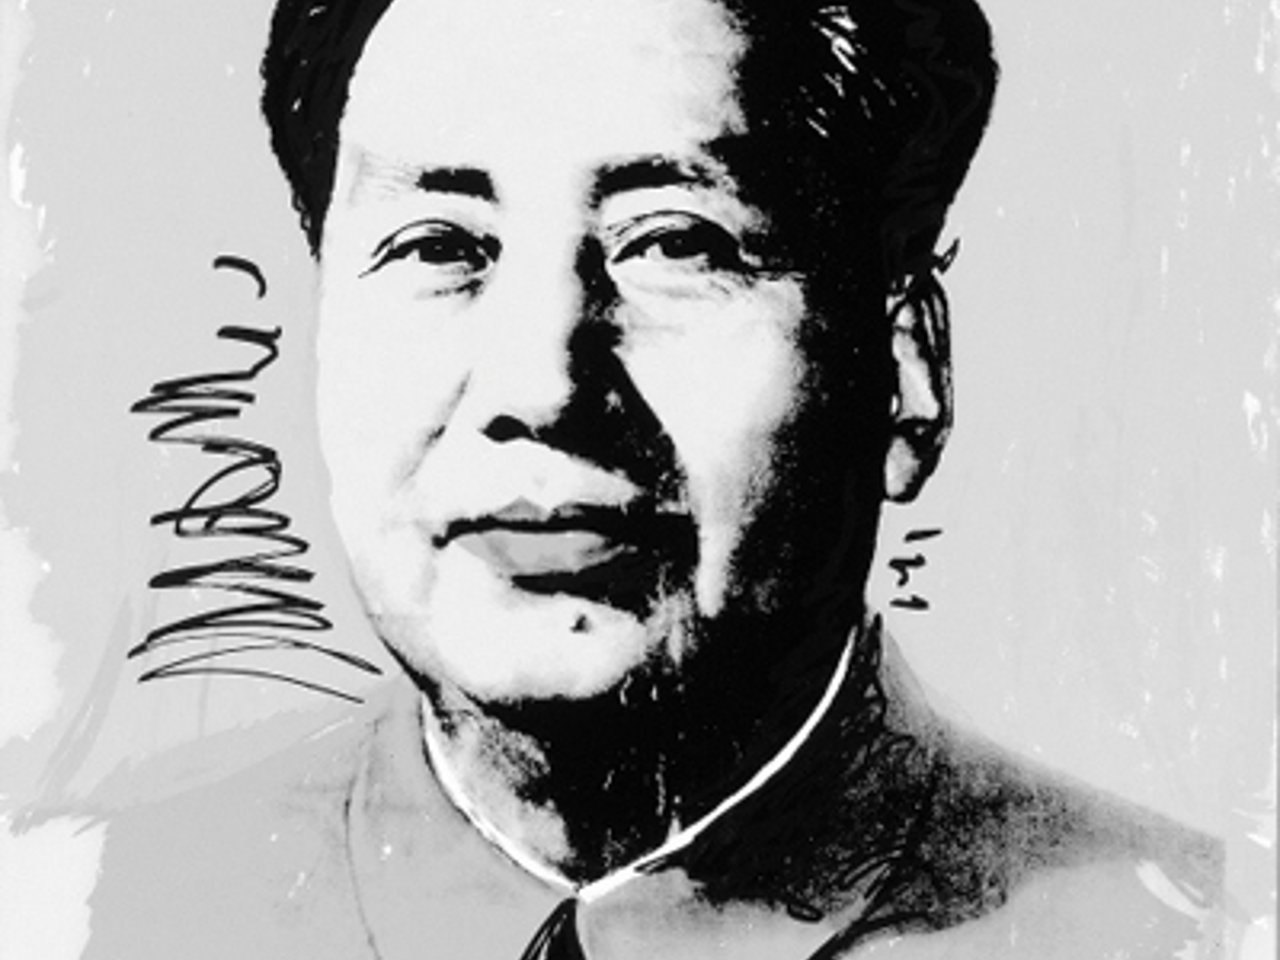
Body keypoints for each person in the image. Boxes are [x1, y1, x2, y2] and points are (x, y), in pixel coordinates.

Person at [79, 0, 1225, 956]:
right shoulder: (88, 911)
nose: (542, 386)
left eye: (676, 243)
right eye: (439, 247)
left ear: (903, 369)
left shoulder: (1191, 930)